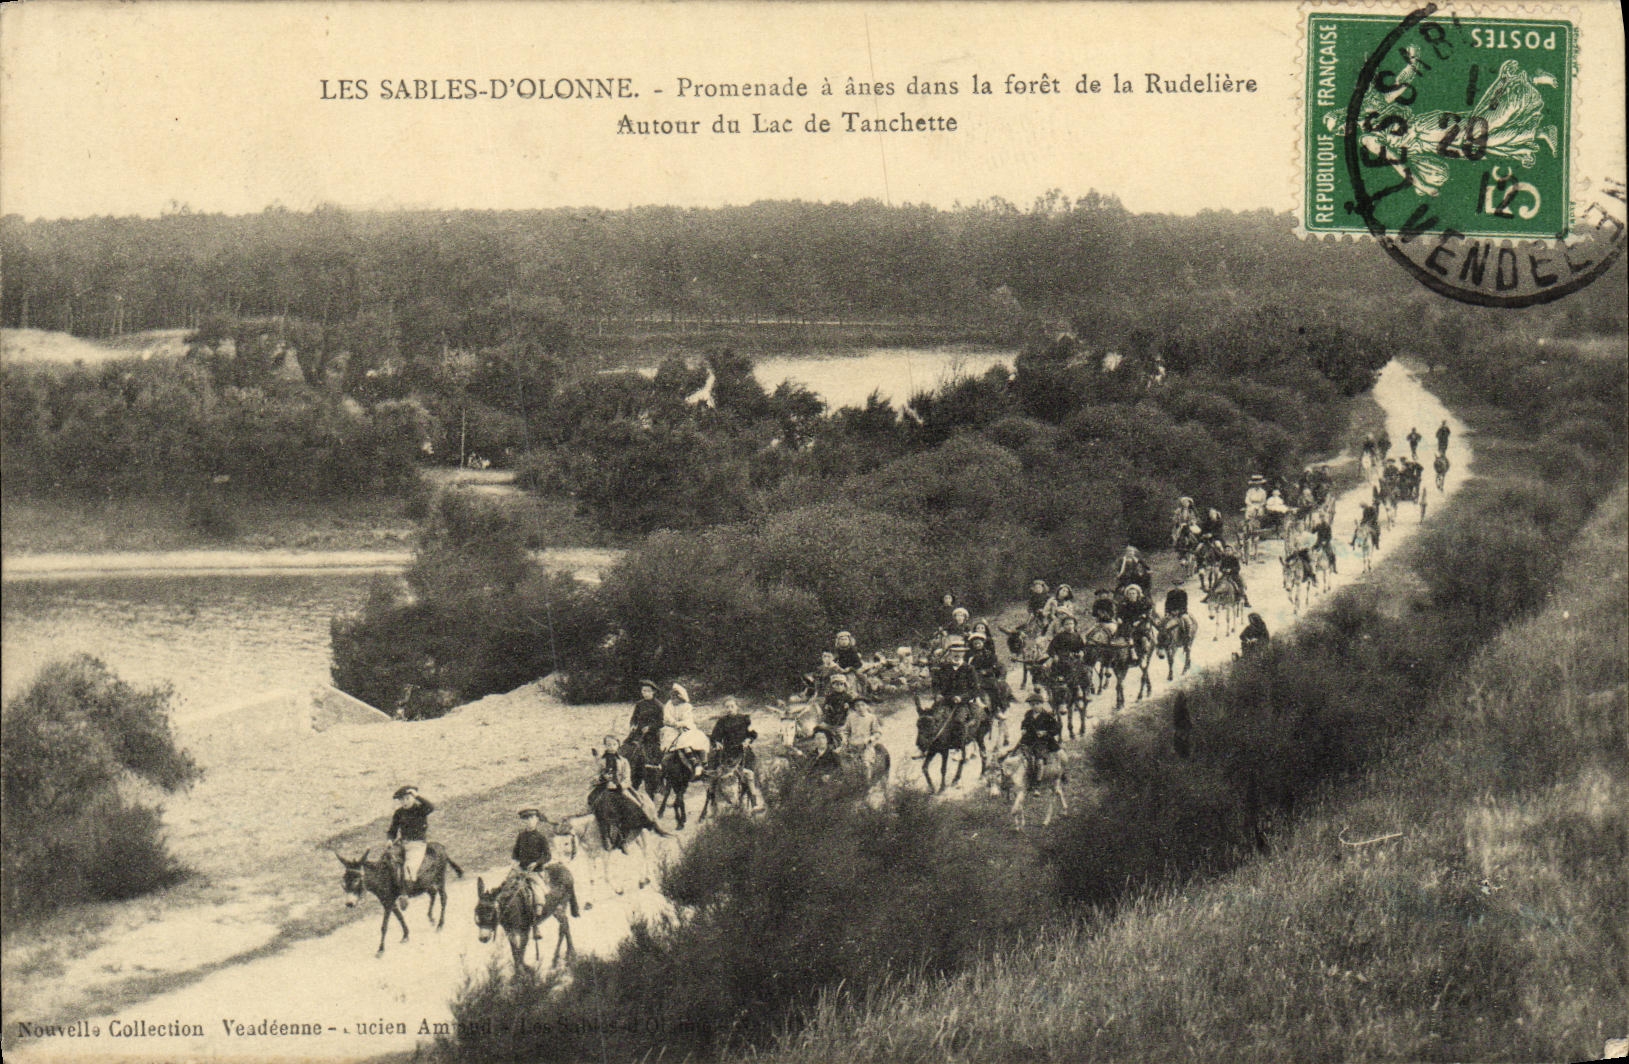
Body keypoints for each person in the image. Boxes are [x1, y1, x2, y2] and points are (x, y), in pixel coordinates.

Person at [708, 696, 764, 811]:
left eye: (732, 706)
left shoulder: (745, 719)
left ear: (737, 707)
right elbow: (715, 736)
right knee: (715, 773)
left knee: (748, 774)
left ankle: (754, 803)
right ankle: (712, 799)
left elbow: (753, 733)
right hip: (727, 752)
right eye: (727, 707)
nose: (729, 709)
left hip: (742, 751)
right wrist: (717, 742)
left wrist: (748, 740)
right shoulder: (722, 721)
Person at [595, 733, 662, 825]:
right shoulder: (601, 761)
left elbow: (627, 779)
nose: (611, 747)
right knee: (593, 802)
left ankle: (643, 823)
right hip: (604, 788)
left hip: (620, 789)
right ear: (605, 746)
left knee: (635, 804)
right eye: (608, 745)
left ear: (618, 745)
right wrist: (602, 778)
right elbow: (594, 776)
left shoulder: (623, 761)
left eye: (614, 744)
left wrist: (619, 786)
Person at [387, 786, 434, 908]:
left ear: (413, 798)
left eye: (407, 799)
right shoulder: (398, 813)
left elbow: (431, 807)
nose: (404, 802)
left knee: (409, 867)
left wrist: (418, 796)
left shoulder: (420, 809)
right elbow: (392, 830)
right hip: (402, 843)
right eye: (402, 800)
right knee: (388, 861)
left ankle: (405, 895)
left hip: (417, 844)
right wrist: (389, 840)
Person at [511, 808, 553, 934]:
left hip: (536, 872)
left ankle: (536, 924)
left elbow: (547, 856)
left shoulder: (541, 837)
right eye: (527, 819)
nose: (529, 821)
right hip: (521, 870)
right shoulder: (521, 836)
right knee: (508, 886)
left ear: (537, 820)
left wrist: (537, 863)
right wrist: (514, 862)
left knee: (537, 893)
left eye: (532, 818)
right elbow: (515, 852)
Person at [1016, 690, 1063, 782]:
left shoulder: (1047, 716)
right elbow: (1024, 723)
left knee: (1040, 760)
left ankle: (1037, 782)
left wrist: (1045, 732)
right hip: (1029, 739)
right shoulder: (1028, 714)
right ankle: (1025, 774)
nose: (1035, 706)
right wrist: (1023, 729)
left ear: (1042, 704)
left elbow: (1056, 728)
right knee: (1019, 752)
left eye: (1037, 704)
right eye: (1032, 705)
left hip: (1043, 741)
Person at [627, 680, 665, 765]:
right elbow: (634, 718)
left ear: (653, 692)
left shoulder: (658, 705)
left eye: (648, 691)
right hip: (639, 732)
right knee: (627, 747)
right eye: (643, 691)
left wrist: (650, 728)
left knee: (651, 752)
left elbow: (662, 722)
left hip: (653, 734)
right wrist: (633, 725)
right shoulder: (639, 704)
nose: (645, 693)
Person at [1309, 507, 1337, 573]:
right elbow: (1313, 532)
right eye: (1321, 517)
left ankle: (1333, 567)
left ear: (1325, 518)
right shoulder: (1318, 525)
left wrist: (1326, 541)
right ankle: (1312, 567)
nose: (1322, 518)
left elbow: (1330, 536)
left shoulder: (1328, 526)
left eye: (1323, 517)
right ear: (1320, 518)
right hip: (1318, 543)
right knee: (1311, 552)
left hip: (1326, 543)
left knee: (1332, 554)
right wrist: (1313, 525)